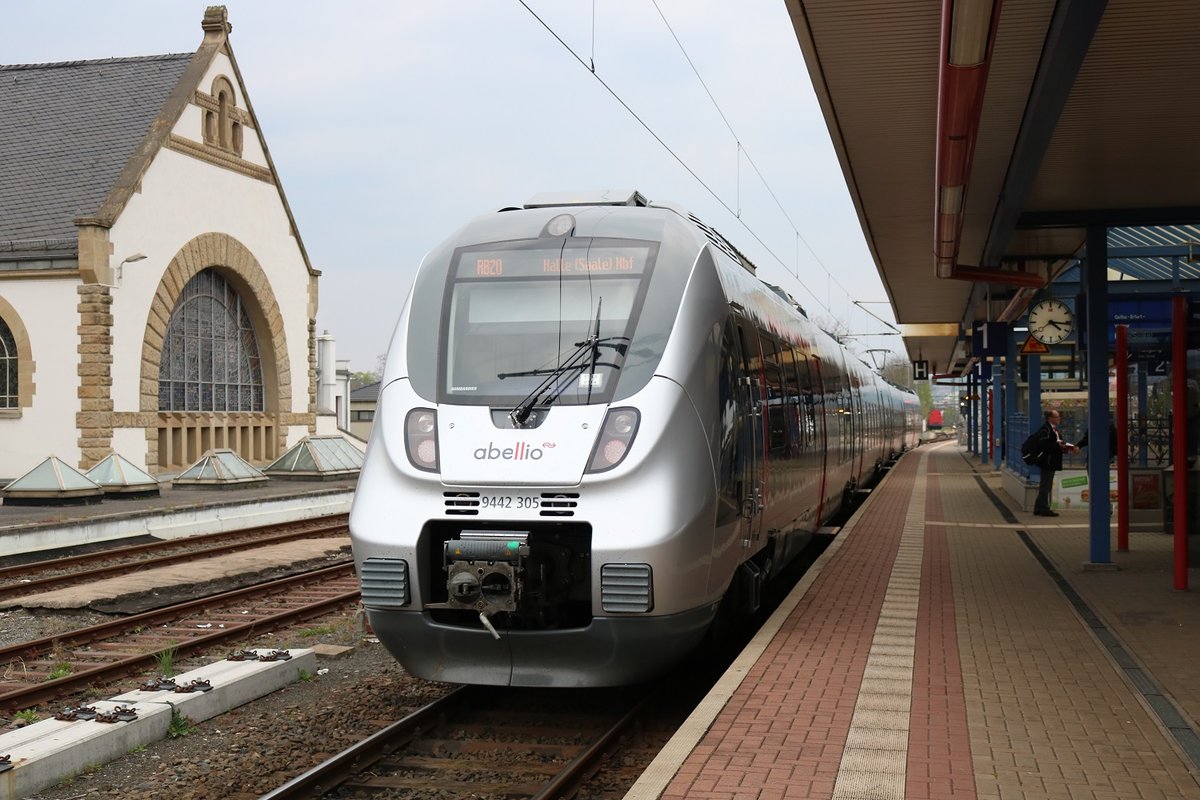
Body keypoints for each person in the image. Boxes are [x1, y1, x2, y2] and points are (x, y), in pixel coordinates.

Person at [1031, 408, 1076, 516]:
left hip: (1052, 460)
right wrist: (1058, 446)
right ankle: (1044, 508)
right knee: (1046, 485)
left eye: (1059, 417)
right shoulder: (1045, 430)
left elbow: (1056, 442)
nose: (1059, 419)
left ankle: (1038, 507)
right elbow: (1044, 445)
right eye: (1056, 417)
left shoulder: (1053, 429)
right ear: (1050, 418)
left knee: (1046, 484)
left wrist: (1064, 446)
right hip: (1047, 461)